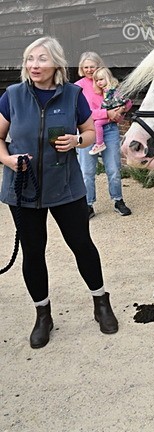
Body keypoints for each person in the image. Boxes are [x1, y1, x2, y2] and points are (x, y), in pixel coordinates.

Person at [0, 37, 119, 348]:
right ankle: (43, 315)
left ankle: (101, 303)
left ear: (56, 63)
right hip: (23, 190)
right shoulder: (12, 96)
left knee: (82, 245)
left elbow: (91, 131)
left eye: (41, 59)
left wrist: (77, 141)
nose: (34, 65)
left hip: (66, 187)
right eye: (29, 59)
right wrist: (8, 159)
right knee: (33, 253)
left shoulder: (74, 95)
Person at [75, 52, 132, 218]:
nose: (89, 70)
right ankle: (87, 204)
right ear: (81, 68)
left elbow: (125, 102)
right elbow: (81, 112)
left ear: (99, 66)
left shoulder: (108, 82)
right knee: (87, 171)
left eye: (92, 66)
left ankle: (118, 200)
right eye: (86, 67)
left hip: (109, 130)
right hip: (86, 131)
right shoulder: (78, 86)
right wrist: (107, 114)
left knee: (113, 168)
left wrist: (120, 110)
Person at [90, 66, 131, 156]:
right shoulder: (106, 90)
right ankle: (99, 143)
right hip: (110, 116)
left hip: (114, 116)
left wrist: (120, 110)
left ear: (107, 78)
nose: (98, 82)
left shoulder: (112, 90)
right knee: (98, 123)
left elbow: (126, 101)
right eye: (96, 81)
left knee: (97, 123)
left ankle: (100, 144)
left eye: (101, 79)